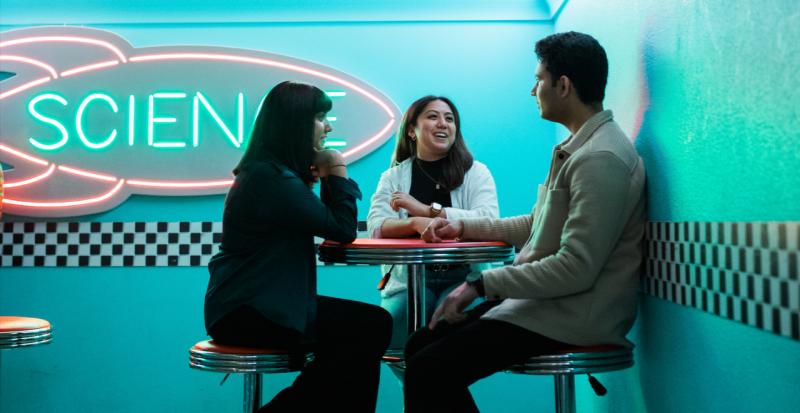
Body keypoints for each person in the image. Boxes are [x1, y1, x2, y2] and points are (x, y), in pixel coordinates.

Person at [404, 32, 647, 412]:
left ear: (563, 86)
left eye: (538, 80)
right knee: (421, 345)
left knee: (428, 369)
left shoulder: (601, 159)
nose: (533, 91)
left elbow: (576, 268)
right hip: (547, 305)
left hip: (573, 315)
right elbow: (536, 224)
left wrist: (479, 284)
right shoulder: (579, 147)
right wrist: (463, 227)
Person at [204, 81, 392, 413]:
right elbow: (343, 228)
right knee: (369, 327)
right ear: (294, 123)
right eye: (320, 117)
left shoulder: (269, 174)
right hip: (251, 311)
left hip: (253, 305)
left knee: (362, 332)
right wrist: (336, 167)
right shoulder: (272, 179)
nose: (329, 126)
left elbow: (330, 224)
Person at [366, 95, 499, 350]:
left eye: (449, 119)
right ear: (412, 131)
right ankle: (420, 387)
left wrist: (426, 210)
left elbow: (488, 218)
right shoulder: (393, 176)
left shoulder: (476, 172)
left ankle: (429, 387)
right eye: (433, 116)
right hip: (408, 282)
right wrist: (414, 223)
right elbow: (377, 226)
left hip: (464, 278)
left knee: (446, 340)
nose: (443, 124)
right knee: (390, 329)